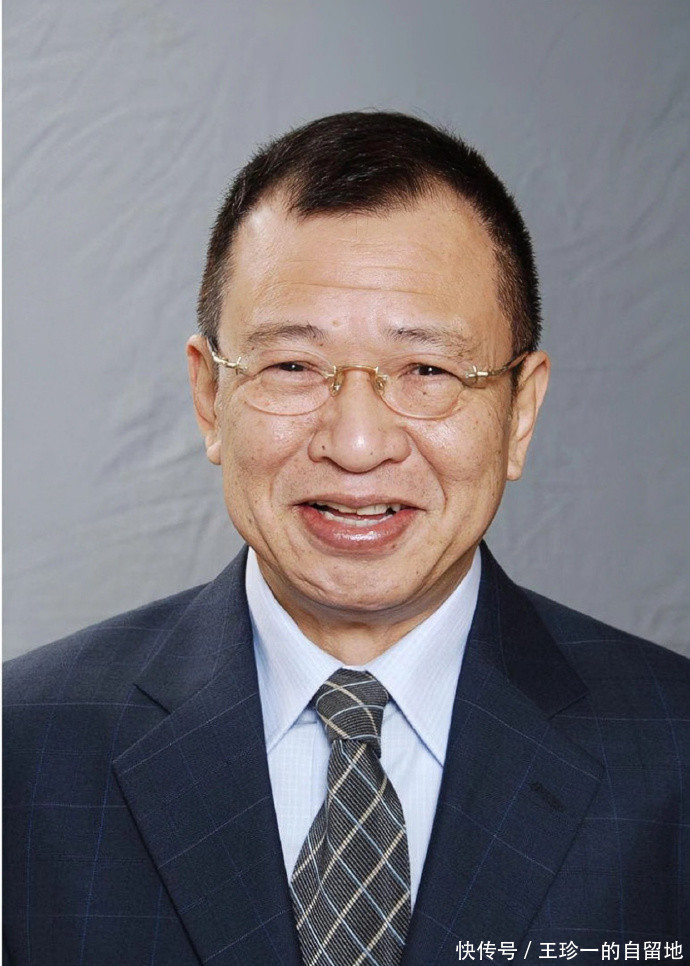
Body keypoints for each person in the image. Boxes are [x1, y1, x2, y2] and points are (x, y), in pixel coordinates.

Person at [4, 111, 689, 966]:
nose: (357, 445)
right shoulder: (21, 750)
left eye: (428, 370)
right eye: (292, 366)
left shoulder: (672, 749)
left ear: (520, 412)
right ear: (211, 398)